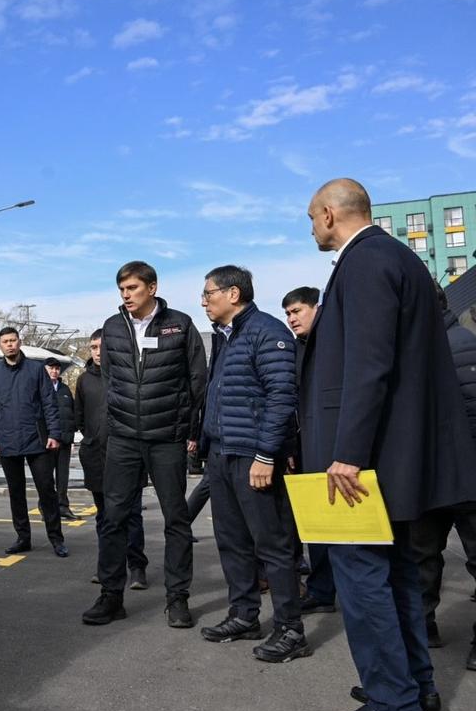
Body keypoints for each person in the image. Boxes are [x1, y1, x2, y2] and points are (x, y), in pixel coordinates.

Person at [302, 178, 476, 711]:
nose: (311, 229)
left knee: (362, 576)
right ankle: (412, 688)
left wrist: (347, 453)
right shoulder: (395, 259)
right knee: (397, 571)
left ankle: (393, 704)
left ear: (330, 214)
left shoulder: (367, 261)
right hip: (391, 457)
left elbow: (369, 364)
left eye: (311, 219)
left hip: (365, 461)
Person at [81, 261, 206, 628]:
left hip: (166, 437)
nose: (126, 295)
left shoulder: (179, 324)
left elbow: (198, 379)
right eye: (122, 290)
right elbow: (111, 380)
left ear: (152, 287)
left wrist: (184, 426)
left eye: (133, 288)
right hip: (123, 440)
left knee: (176, 520)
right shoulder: (112, 327)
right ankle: (111, 596)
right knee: (114, 519)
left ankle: (178, 598)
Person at [197, 265, 309, 662]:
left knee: (273, 545)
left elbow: (282, 396)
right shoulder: (225, 337)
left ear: (233, 293)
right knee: (232, 541)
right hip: (222, 455)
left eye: (208, 293)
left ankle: (290, 629)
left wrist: (265, 456)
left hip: (254, 457)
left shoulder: (266, 331)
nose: (204, 300)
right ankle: (244, 615)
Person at [408, 285, 476, 664]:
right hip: (430, 474)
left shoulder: (460, 345)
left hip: (463, 474)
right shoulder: (424, 349)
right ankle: (423, 630)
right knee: (421, 557)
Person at [0, 327, 68, 557]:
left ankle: (56, 539)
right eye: (5, 341)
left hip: (37, 441)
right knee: (16, 493)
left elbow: (49, 403)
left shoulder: (36, 370)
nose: (10, 344)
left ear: (19, 342)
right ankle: (23, 538)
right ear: (0, 345)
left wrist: (54, 434)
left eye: (13, 340)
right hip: (7, 442)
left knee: (46, 491)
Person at [75, 329, 149, 590]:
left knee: (131, 516)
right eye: (93, 347)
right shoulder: (84, 381)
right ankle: (106, 566)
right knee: (105, 517)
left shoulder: (127, 376)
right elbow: (80, 418)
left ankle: (137, 567)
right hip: (96, 458)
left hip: (129, 457)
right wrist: (93, 438)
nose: (97, 352)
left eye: (101, 346)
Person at [283, 285, 336, 615]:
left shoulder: (337, 344)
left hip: (339, 448)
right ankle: (321, 590)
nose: (291, 318)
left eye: (297, 311)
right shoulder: (294, 349)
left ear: (317, 308)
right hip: (306, 448)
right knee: (314, 525)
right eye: (287, 313)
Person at [44, 357, 79, 521]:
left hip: (64, 440)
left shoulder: (65, 390)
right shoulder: (40, 389)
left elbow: (72, 413)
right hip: (47, 442)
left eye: (57, 369)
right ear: (45, 369)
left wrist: (72, 434)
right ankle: (46, 508)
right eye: (51, 368)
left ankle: (63, 507)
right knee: (46, 478)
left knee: (63, 478)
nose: (54, 371)